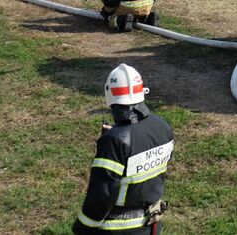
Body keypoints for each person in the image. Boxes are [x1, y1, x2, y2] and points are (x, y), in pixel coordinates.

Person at [73, 64, 173, 234]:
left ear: (109, 94)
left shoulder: (114, 142)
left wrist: (83, 226)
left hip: (119, 229)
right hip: (152, 224)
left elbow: (102, 194)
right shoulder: (163, 127)